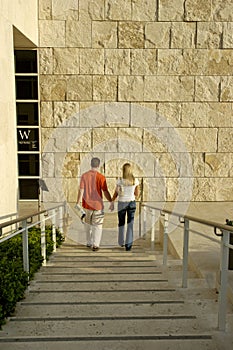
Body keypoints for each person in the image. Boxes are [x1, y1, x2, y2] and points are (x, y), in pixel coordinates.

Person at [76, 157, 112, 251]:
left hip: (87, 205)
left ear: (90, 164)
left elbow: (81, 190)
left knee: (87, 225)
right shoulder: (101, 177)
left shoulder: (84, 176)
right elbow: (105, 191)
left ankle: (89, 242)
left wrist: (78, 202)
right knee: (98, 225)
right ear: (98, 165)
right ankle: (96, 245)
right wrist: (111, 201)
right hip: (98, 205)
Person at [110, 163, 139, 251]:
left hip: (122, 203)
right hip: (131, 203)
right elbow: (137, 194)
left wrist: (112, 201)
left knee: (121, 223)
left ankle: (121, 242)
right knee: (130, 224)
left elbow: (116, 193)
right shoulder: (135, 181)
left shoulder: (120, 181)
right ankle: (128, 245)